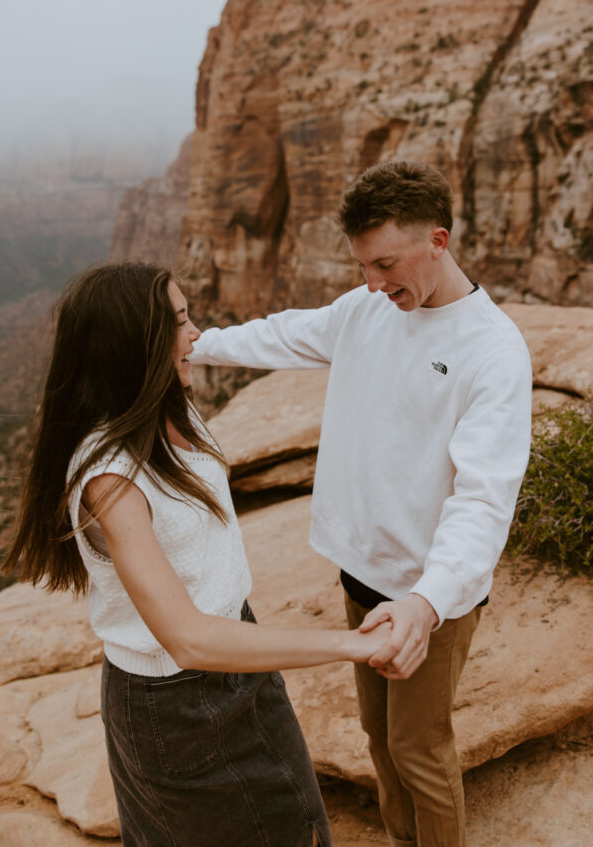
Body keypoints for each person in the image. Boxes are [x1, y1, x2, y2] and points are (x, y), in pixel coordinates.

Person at [192, 160, 533, 847]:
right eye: (363, 268)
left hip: (427, 596)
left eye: (385, 263)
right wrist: (197, 343)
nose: (374, 284)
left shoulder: (492, 352)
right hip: (360, 573)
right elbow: (286, 334)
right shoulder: (366, 308)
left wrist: (425, 601)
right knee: (378, 739)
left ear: (436, 240)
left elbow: (482, 500)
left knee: (418, 747)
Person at [2, 261, 393, 847]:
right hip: (176, 702)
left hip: (240, 656)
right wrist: (352, 646)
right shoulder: (111, 479)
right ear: (138, 344)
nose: (196, 335)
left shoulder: (171, 408)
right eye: (181, 323)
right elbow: (187, 638)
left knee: (301, 826)